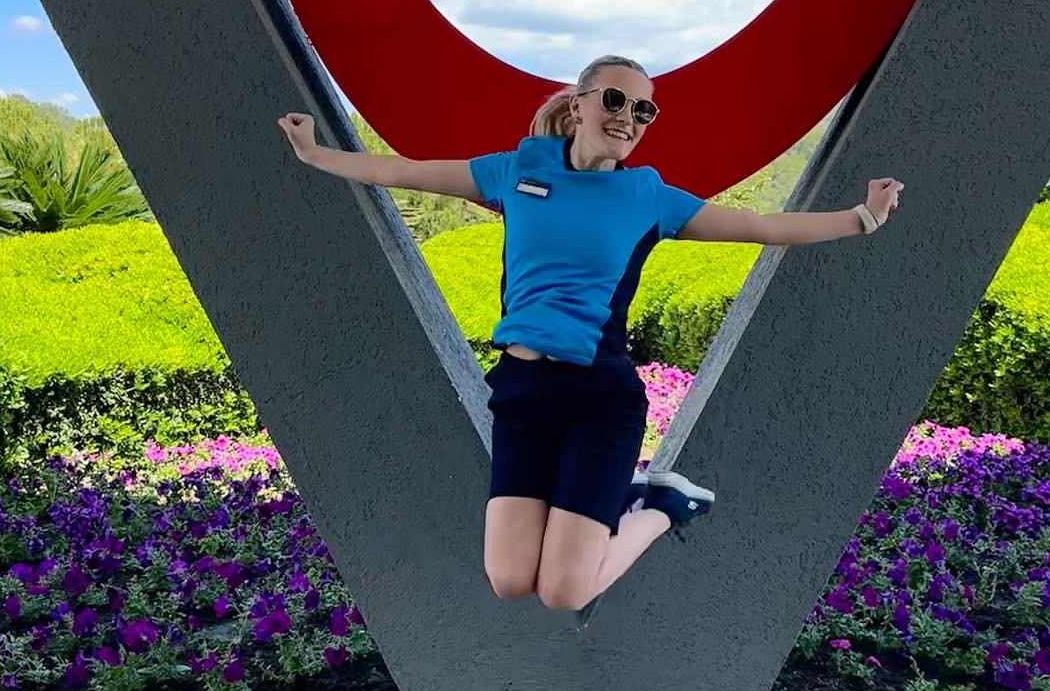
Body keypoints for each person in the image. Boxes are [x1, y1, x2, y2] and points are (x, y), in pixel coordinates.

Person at [278, 53, 901, 614]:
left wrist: (862, 218)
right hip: (522, 393)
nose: (629, 116)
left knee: (564, 592)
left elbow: (759, 226)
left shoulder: (646, 195)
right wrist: (315, 155)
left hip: (599, 399)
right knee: (510, 579)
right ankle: (623, 497)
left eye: (644, 110)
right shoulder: (518, 171)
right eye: (614, 100)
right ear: (577, 105)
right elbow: (407, 171)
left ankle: (658, 509)